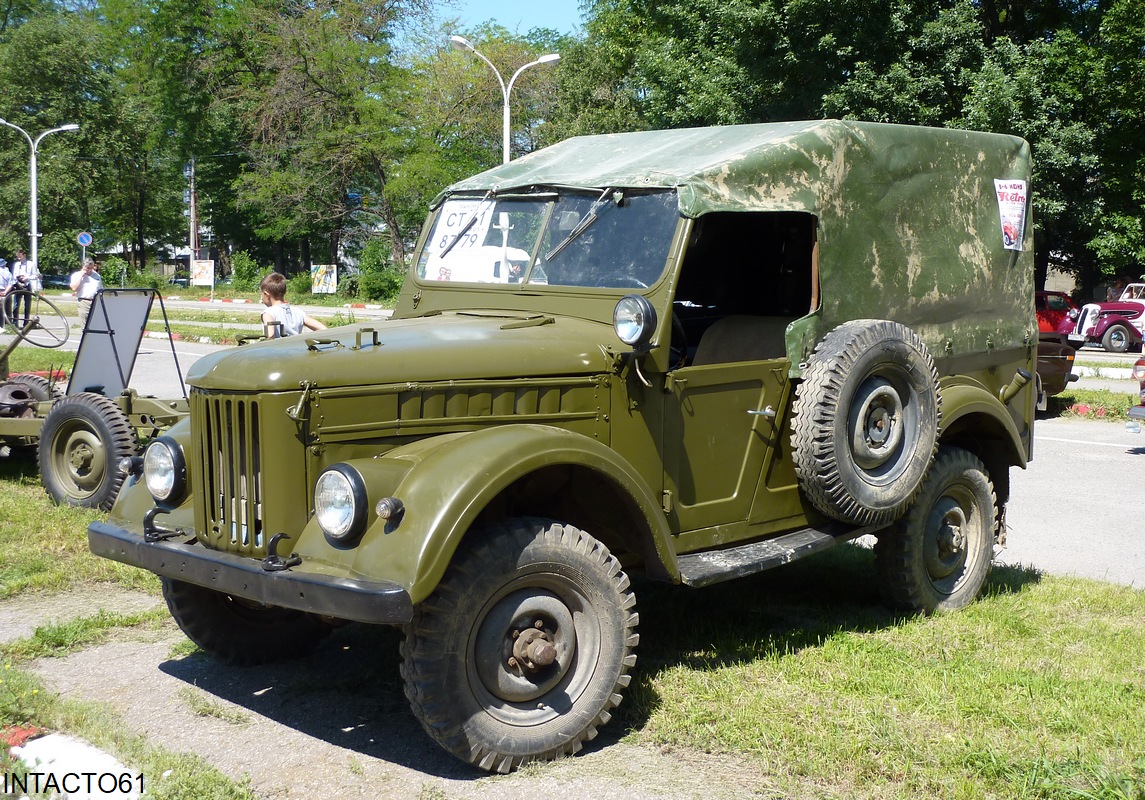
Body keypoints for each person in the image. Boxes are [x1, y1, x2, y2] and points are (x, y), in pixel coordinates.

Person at [259, 272, 327, 338]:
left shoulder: (268, 313)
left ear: (266, 294)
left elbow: (270, 335)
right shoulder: (298, 312)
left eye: (261, 294)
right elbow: (323, 329)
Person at [70, 258, 103, 330]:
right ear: (83, 267)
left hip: (95, 301)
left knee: (96, 324)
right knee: (85, 325)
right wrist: (81, 276)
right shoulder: (77, 275)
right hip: (84, 301)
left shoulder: (96, 275)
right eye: (87, 268)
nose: (89, 270)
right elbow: (74, 288)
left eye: (91, 268)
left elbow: (101, 288)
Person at [10, 249, 40, 327]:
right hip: (18, 285)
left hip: (27, 285)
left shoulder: (31, 264)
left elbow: (35, 275)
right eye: (18, 257)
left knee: (27, 305)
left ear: (24, 255)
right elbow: (14, 275)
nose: (19, 259)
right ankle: (15, 322)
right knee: (16, 305)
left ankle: (26, 322)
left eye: (20, 257)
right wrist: (18, 278)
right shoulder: (17, 264)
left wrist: (26, 278)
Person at [0, 258, 11, 328]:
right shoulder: (8, 272)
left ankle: (0, 325)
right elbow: (10, 284)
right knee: (7, 309)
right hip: (6, 292)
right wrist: (5, 292)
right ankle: (7, 325)